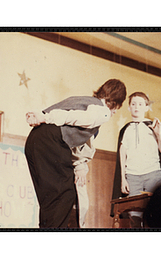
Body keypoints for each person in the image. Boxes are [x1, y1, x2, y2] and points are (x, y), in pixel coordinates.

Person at [25, 79, 127, 228]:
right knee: (64, 196)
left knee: (49, 199)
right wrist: (45, 117)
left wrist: (42, 116)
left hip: (35, 139)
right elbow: (74, 117)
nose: (115, 112)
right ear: (115, 102)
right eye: (118, 106)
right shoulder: (102, 111)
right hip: (51, 140)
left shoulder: (82, 100)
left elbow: (72, 128)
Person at [111, 92, 161, 228]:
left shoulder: (152, 126)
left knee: (154, 213)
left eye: (140, 104)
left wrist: (158, 135)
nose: (136, 107)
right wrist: (123, 178)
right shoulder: (126, 130)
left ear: (146, 107)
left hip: (152, 173)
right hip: (132, 176)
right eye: (133, 104)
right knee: (135, 216)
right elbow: (122, 154)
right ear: (129, 108)